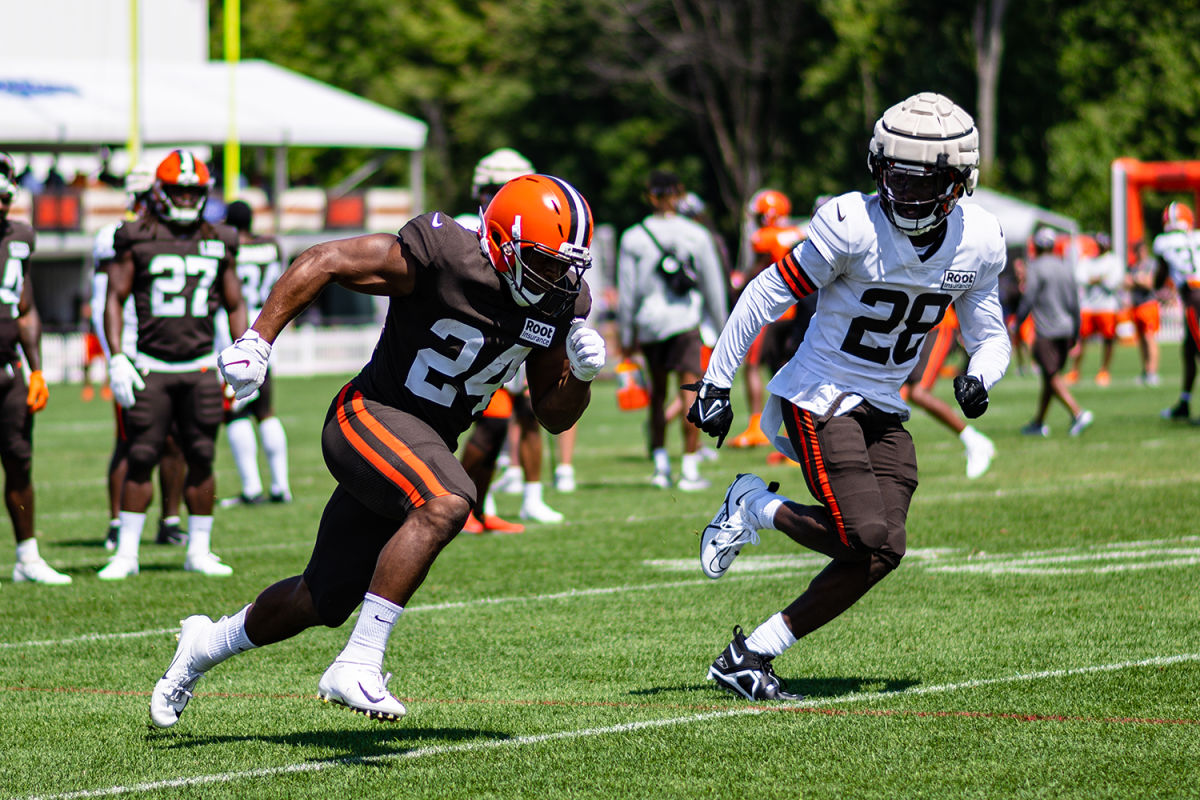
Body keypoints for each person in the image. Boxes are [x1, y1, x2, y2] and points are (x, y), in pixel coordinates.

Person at [148, 174, 605, 728]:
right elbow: (324, 260)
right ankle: (360, 661)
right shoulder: (444, 254)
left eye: (567, 264)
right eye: (546, 260)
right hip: (366, 416)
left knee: (319, 600)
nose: (559, 276)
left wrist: (579, 374)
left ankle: (201, 645)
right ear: (504, 242)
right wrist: (258, 340)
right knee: (450, 497)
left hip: (420, 446)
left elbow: (554, 416)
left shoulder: (560, 301)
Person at [686, 93, 1010, 700]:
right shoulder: (852, 224)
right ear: (877, 168)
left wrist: (980, 376)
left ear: (959, 182)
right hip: (823, 390)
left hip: (885, 402)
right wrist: (716, 379)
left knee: (886, 548)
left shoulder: (979, 240)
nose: (908, 196)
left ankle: (751, 652)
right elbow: (765, 293)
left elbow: (991, 337)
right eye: (898, 179)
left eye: (926, 184)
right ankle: (755, 507)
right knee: (864, 534)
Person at [99, 150, 247, 580]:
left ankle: (199, 550)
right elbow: (114, 298)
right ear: (160, 191)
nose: (186, 197)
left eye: (193, 190)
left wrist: (244, 351)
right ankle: (127, 553)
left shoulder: (220, 238)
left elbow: (235, 303)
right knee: (142, 453)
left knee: (202, 454)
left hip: (201, 364)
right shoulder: (136, 235)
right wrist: (118, 356)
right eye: (179, 189)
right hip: (151, 364)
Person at [454, 148, 565, 528]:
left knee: (529, 414)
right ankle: (466, 505)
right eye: (496, 188)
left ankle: (500, 504)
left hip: (521, 335)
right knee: (490, 422)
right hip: (480, 341)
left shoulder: (534, 228)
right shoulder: (468, 226)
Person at [92, 163, 188, 550]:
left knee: (176, 439)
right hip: (134, 351)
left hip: (170, 352)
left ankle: (169, 519)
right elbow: (105, 300)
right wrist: (115, 356)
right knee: (130, 439)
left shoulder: (176, 234)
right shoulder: (115, 236)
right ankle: (118, 523)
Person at [618, 170, 727, 490]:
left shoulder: (633, 236)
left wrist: (626, 335)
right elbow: (713, 287)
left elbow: (627, 293)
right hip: (685, 322)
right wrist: (721, 330)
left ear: (649, 195)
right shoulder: (695, 233)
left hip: (650, 324)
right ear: (679, 193)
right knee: (691, 393)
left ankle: (660, 465)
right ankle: (689, 468)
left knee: (657, 397)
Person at [0, 152, 70, 584]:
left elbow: (25, 309)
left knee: (20, 462)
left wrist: (37, 369)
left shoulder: (21, 235)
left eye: (6, 196)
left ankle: (27, 557)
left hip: (8, 371)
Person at [218, 200, 292, 506]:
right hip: (265, 337)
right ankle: (281, 486)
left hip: (231, 336)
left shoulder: (225, 248)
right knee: (266, 412)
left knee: (235, 415)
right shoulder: (272, 246)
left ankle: (251, 488)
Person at [727, 190, 806, 449]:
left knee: (752, 366)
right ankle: (792, 424)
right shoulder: (796, 232)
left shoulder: (764, 237)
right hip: (796, 309)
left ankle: (756, 424)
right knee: (782, 367)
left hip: (771, 311)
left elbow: (756, 271)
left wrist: (737, 289)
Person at [900, 303, 995, 478]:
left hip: (938, 326)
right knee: (897, 394)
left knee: (918, 393)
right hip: (917, 329)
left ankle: (974, 441)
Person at [1014, 227, 1092, 437]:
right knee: (1050, 378)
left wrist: (1017, 321)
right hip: (1066, 330)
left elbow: (1029, 297)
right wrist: (1076, 332)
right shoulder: (1065, 266)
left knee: (1051, 376)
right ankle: (1039, 422)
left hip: (1046, 331)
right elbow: (1075, 302)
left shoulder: (1036, 267)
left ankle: (1078, 413)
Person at [1154, 202, 1200, 420]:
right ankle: (1184, 403)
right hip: (1194, 296)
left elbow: (1161, 275)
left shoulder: (1164, 242)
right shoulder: (1197, 237)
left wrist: (1155, 286)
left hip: (1195, 297)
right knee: (1189, 351)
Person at [1066, 233, 1122, 386]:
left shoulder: (1113, 260)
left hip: (1107, 307)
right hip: (1088, 306)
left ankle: (1104, 370)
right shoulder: (1087, 260)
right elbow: (1080, 279)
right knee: (1081, 339)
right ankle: (1075, 370)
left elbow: (1113, 282)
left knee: (1108, 340)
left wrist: (1095, 279)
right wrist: (1100, 278)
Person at [1125, 240, 1160, 386]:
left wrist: (1137, 281)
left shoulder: (1151, 264)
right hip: (1136, 305)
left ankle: (1153, 371)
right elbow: (1126, 283)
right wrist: (1137, 280)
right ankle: (1145, 370)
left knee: (1149, 337)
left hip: (1149, 304)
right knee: (1140, 341)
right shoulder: (1133, 266)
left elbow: (1149, 283)